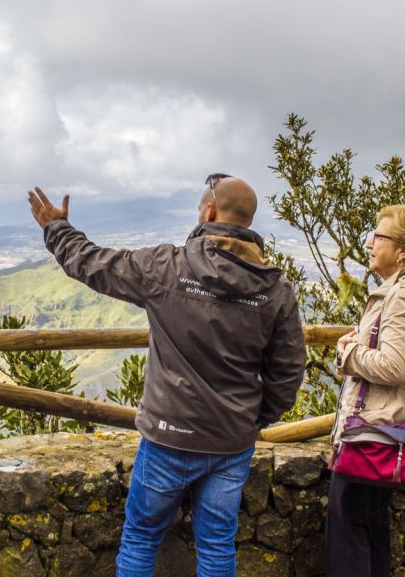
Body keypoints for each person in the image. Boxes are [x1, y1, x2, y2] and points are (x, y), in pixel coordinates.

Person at [27, 175, 306, 577]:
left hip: (167, 435)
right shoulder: (275, 289)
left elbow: (95, 264)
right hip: (230, 441)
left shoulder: (167, 266)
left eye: (198, 207)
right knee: (216, 546)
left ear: (209, 212)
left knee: (141, 538)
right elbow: (288, 371)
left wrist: (57, 229)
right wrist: (254, 418)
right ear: (247, 222)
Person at [326, 204, 405, 577]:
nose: (371, 243)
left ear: (404, 249)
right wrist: (361, 344)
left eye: (379, 236)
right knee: (371, 527)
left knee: (348, 536)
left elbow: (395, 367)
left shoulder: (403, 294)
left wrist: (349, 351)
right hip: (386, 431)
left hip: (374, 432)